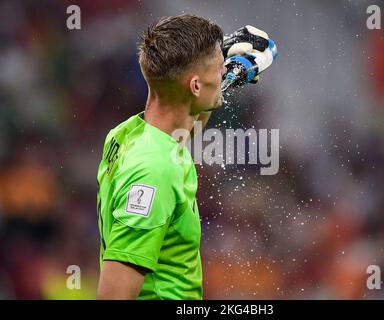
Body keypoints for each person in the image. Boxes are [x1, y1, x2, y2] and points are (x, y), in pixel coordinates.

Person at [96, 14, 272, 300]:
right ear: (194, 86)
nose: (225, 70)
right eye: (220, 68)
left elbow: (185, 121)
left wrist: (223, 76)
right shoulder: (154, 172)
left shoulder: (127, 133)